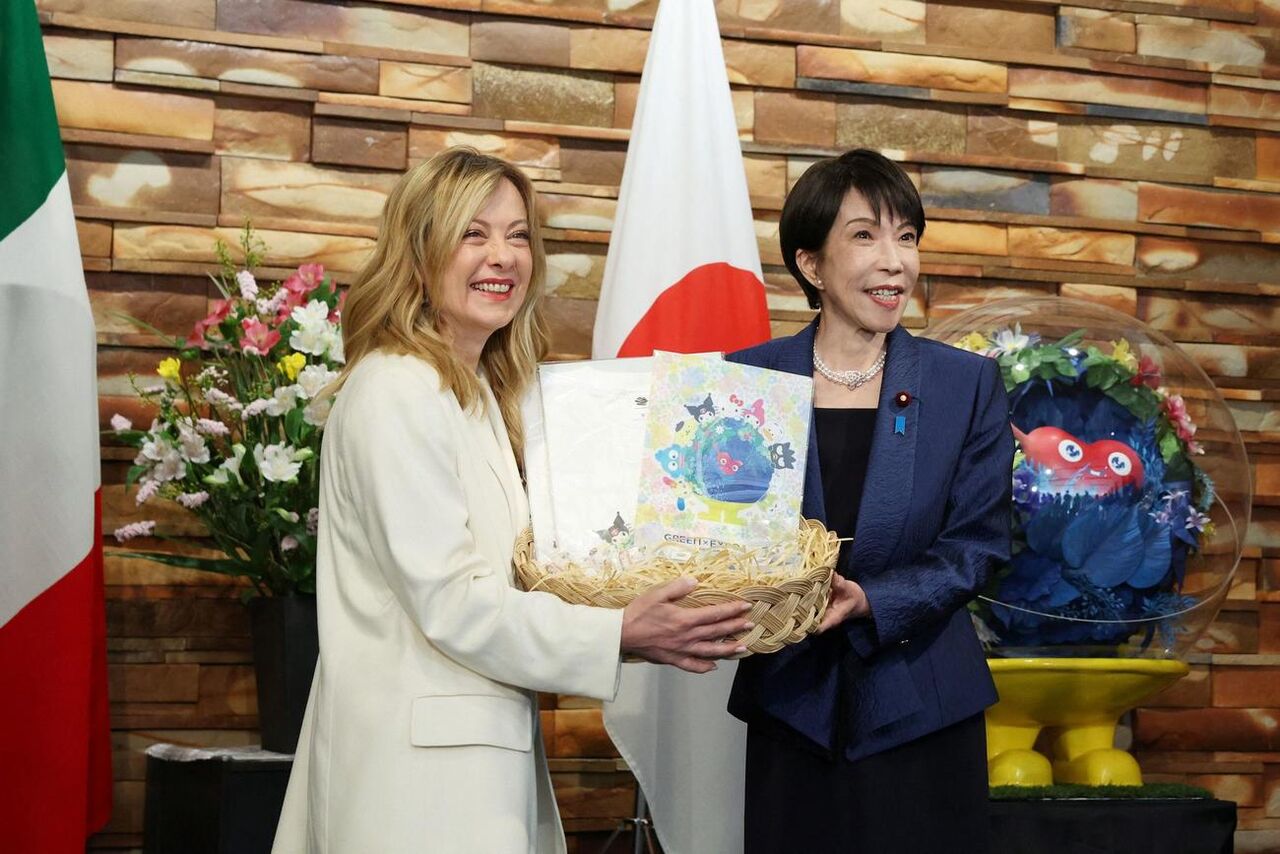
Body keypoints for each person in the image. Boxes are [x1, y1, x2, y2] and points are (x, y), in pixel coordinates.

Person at [271, 147, 753, 854]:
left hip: (465, 765)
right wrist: (616, 632)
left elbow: (511, 577)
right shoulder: (399, 389)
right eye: (474, 233)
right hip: (419, 787)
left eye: (518, 235)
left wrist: (639, 598)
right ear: (418, 252)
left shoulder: (472, 392)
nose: (502, 255)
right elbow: (452, 601)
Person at [727, 149, 1014, 853]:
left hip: (923, 703)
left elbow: (978, 545)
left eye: (906, 237)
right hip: (791, 702)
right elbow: (717, 528)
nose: (895, 262)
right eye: (865, 236)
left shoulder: (964, 385)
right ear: (811, 264)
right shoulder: (747, 379)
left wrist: (873, 601)